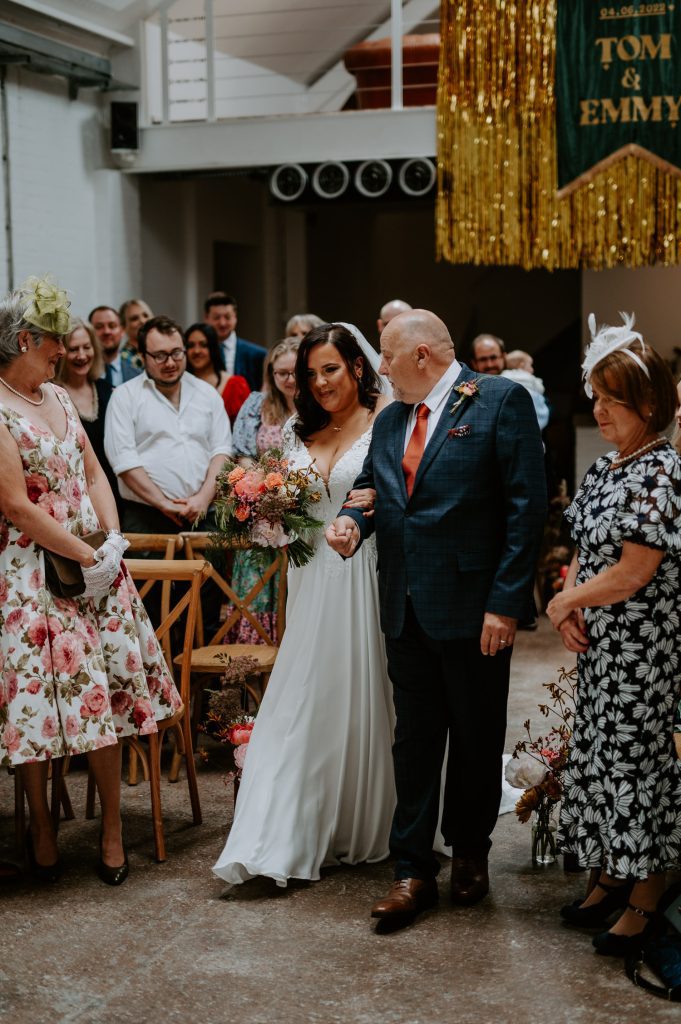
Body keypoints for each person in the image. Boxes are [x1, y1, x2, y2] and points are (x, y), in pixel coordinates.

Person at [327, 309, 546, 926]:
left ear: (421, 355)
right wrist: (351, 521)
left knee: (477, 737)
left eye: (387, 360)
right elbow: (370, 488)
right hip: (404, 605)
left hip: (477, 609)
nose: (381, 373)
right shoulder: (392, 418)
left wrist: (506, 602)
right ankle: (411, 870)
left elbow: (525, 509)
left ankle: (471, 852)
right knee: (414, 742)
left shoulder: (499, 401)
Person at [0, 277, 181, 884]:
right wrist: (85, 553)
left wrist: (111, 539)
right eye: (53, 338)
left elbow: (95, 471)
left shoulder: (56, 394)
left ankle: (110, 831)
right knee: (38, 709)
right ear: (24, 338)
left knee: (102, 700)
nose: (62, 348)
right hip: (32, 575)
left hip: (95, 569)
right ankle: (44, 834)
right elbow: (17, 508)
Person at [213, 323, 396, 886]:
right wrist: (262, 511)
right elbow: (281, 508)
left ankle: (360, 816)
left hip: (362, 574)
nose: (318, 383)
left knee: (361, 690)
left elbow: (402, 492)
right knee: (299, 696)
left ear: (357, 368)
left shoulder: (387, 418)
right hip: (308, 577)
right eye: (311, 373)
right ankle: (277, 834)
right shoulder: (295, 429)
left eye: (330, 369)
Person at [547, 313, 681, 958]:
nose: (598, 410)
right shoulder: (607, 467)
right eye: (594, 397)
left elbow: (633, 571)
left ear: (648, 403)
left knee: (636, 768)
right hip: (602, 646)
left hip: (645, 651)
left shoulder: (661, 472)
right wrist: (573, 605)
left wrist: (566, 598)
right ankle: (608, 874)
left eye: (612, 399)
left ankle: (647, 896)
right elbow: (585, 549)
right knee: (599, 761)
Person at [104, 315, 233, 534]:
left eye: (176, 353)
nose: (171, 363)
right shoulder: (124, 397)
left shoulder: (207, 394)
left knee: (210, 570)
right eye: (160, 356)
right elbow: (123, 461)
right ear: (143, 356)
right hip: (147, 517)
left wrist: (202, 499)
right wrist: (163, 503)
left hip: (204, 513)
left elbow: (222, 451)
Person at [227, 336, 300, 644]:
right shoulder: (258, 403)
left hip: (300, 507)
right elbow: (242, 450)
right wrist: (256, 485)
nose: (288, 379)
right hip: (261, 511)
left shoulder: (318, 404)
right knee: (257, 583)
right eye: (280, 373)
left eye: (295, 372)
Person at [55, 319, 120, 508]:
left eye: (87, 347)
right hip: (74, 497)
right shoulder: (53, 395)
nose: (82, 355)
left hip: (113, 494)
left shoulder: (110, 391)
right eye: (74, 349)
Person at [184, 321, 250, 425]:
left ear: (213, 348)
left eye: (203, 345)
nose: (196, 351)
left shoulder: (235, 385)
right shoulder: (180, 383)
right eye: (191, 346)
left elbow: (246, 429)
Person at [204, 292, 266, 392]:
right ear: (207, 318)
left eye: (227, 317)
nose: (222, 323)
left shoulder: (258, 355)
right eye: (216, 318)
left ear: (235, 317)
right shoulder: (198, 352)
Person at [89, 305, 140, 387]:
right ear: (89, 332)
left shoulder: (138, 376)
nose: (106, 331)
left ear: (122, 330)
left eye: (112, 326)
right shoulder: (81, 374)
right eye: (99, 327)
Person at [501, 349, 550, 431]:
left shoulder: (503, 375)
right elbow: (541, 389)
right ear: (522, 365)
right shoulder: (529, 377)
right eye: (530, 365)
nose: (532, 369)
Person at [118, 298, 152, 375]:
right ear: (123, 327)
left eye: (145, 315)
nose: (142, 321)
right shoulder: (123, 359)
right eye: (134, 318)